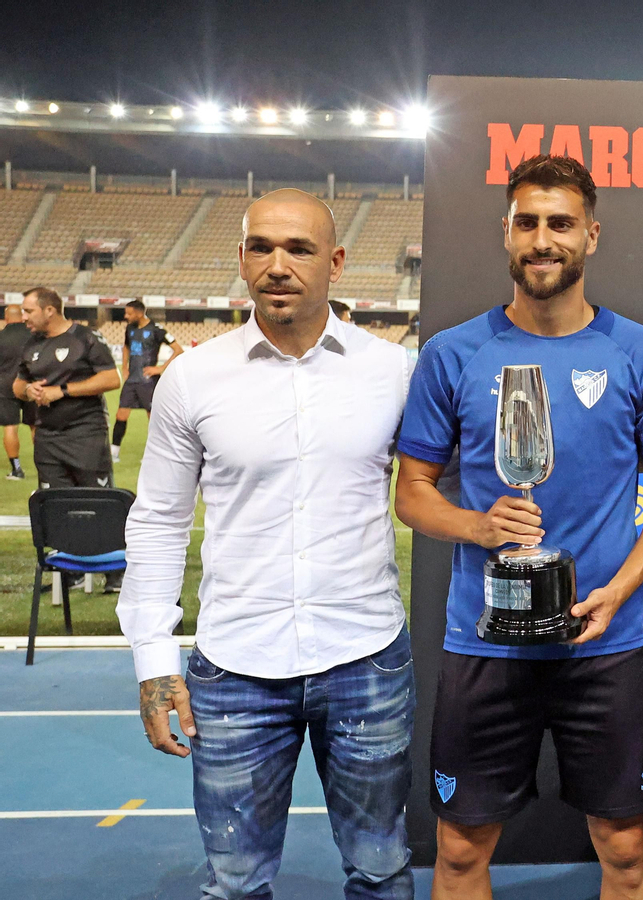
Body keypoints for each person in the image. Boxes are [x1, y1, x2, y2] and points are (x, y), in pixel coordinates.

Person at [395, 155, 643, 900]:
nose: (543, 239)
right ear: (506, 233)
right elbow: (414, 496)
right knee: (459, 850)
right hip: (485, 639)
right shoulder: (452, 355)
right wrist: (479, 525)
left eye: (561, 223)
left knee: (625, 849)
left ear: (591, 234)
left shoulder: (641, 353)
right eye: (527, 222)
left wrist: (620, 591)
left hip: (603, 643)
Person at [118, 189, 416, 900]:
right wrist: (154, 661)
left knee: (381, 872)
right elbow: (158, 518)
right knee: (236, 883)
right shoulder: (194, 376)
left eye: (300, 249)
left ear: (337, 263)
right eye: (261, 248)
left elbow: (437, 495)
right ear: (242, 258)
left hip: (366, 658)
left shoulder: (394, 371)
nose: (278, 265)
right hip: (237, 666)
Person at [13, 286, 120, 490]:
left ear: (49, 310)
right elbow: (18, 385)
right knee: (55, 508)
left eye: (29, 311)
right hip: (47, 439)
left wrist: (62, 391)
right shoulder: (31, 345)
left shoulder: (85, 338)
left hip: (86, 436)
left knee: (96, 507)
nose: (24, 317)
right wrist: (28, 390)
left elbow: (111, 379)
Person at [112, 298, 182, 463]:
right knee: (121, 414)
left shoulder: (156, 329)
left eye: (129, 313)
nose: (126, 316)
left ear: (139, 313)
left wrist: (160, 368)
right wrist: (124, 367)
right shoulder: (130, 328)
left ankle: (155, 454)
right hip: (132, 380)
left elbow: (178, 350)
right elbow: (126, 346)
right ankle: (114, 452)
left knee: (153, 418)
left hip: (148, 381)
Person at [0, 304, 33, 479]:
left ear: (6, 317)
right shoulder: (34, 335)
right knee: (36, 426)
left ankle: (17, 469)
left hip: (5, 386)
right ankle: (44, 467)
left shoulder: (1, 337)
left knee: (10, 427)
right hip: (31, 384)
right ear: (22, 316)